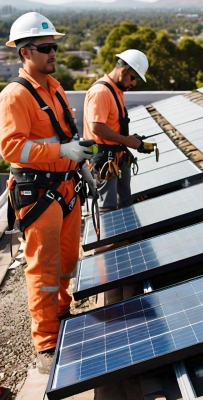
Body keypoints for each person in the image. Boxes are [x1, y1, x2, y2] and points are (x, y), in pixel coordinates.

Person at [0, 12, 93, 374]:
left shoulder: (54, 87)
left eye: (54, 46)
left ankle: (63, 312)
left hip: (67, 187)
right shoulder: (15, 96)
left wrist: (78, 161)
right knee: (44, 269)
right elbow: (12, 149)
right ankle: (47, 342)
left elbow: (63, 134)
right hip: (38, 194)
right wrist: (61, 153)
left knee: (68, 260)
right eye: (45, 48)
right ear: (25, 52)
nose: (53, 53)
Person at [83, 49, 154, 213]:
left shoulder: (116, 90)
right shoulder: (101, 92)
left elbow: (112, 124)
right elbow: (97, 127)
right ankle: (114, 239)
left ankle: (129, 238)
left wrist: (130, 138)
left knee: (125, 203)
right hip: (103, 160)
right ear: (123, 71)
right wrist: (128, 141)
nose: (134, 83)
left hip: (116, 156)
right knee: (109, 209)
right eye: (134, 78)